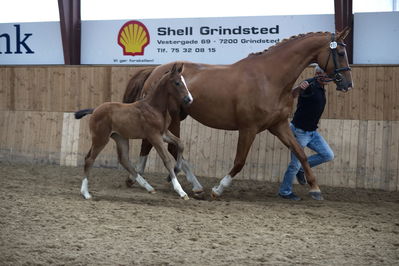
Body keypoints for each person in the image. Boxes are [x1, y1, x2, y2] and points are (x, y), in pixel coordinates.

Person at [278, 65, 334, 201]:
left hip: (312, 132)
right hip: (299, 132)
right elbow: (292, 94)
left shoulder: (321, 87)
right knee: (294, 164)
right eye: (325, 74)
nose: (327, 77)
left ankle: (304, 169)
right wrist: (299, 88)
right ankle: (285, 191)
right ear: (318, 74)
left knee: (328, 155)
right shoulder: (310, 84)